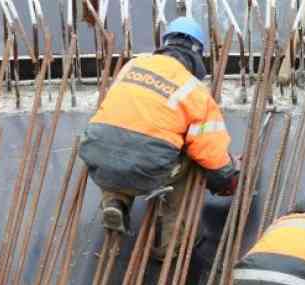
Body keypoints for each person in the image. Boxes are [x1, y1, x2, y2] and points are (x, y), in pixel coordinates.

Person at [79, 16, 239, 259]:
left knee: (119, 145)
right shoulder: (194, 90)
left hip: (97, 156)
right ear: (196, 53)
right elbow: (211, 154)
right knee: (193, 164)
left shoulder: (131, 67)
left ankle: (116, 201)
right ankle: (172, 244)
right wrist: (224, 179)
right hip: (148, 166)